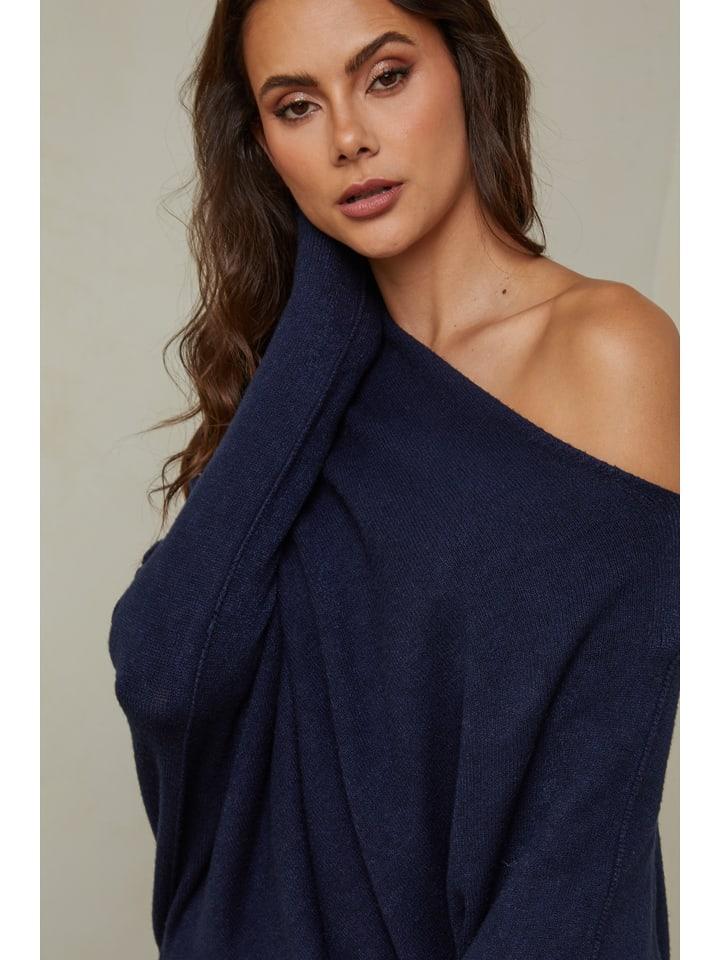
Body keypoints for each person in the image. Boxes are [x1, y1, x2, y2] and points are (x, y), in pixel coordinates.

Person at [108, 1, 680, 958]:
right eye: (296, 107)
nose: (348, 139)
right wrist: (325, 308)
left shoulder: (612, 353)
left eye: (385, 76)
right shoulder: (296, 392)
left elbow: (584, 824)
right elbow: (167, 670)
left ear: (466, 70)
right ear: (263, 146)